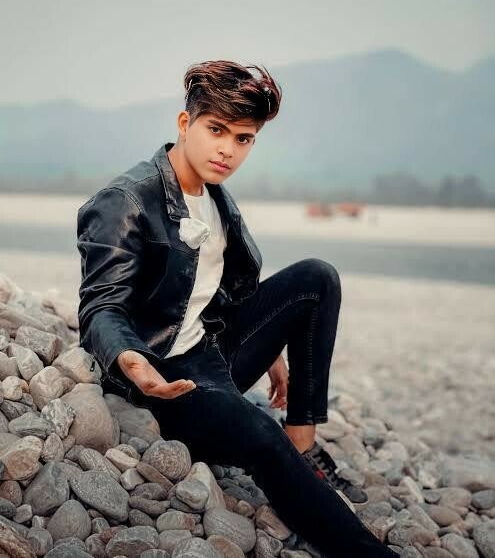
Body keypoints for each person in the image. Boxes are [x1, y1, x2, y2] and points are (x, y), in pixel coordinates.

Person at [76, 60, 400, 557]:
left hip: (210, 352)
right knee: (258, 431)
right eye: (217, 130)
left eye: (244, 138)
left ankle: (302, 445)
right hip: (161, 380)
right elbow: (101, 305)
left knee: (316, 277)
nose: (228, 149)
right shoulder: (125, 200)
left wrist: (271, 347)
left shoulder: (216, 198)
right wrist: (134, 363)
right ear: (185, 123)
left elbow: (219, 290)